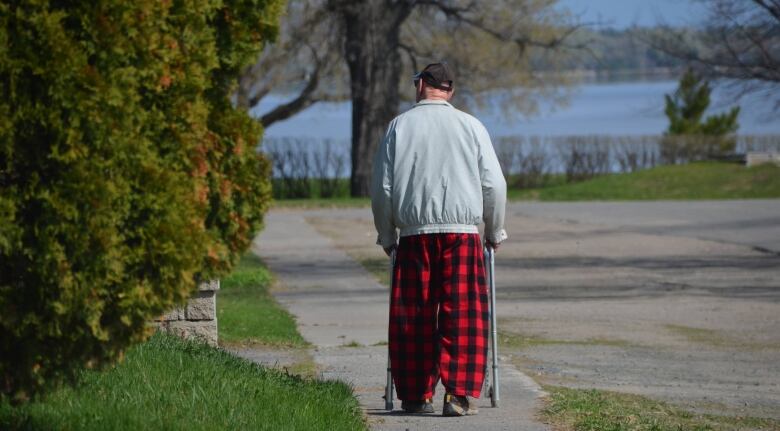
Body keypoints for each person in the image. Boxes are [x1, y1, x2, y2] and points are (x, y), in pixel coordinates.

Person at [370, 62, 507, 417]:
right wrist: (494, 231)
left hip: (415, 235)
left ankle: (416, 395)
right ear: (451, 90)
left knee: (413, 314)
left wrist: (386, 235)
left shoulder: (399, 127)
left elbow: (382, 188)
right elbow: (494, 184)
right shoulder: (471, 125)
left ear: (420, 87)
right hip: (461, 234)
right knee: (463, 314)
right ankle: (458, 395)